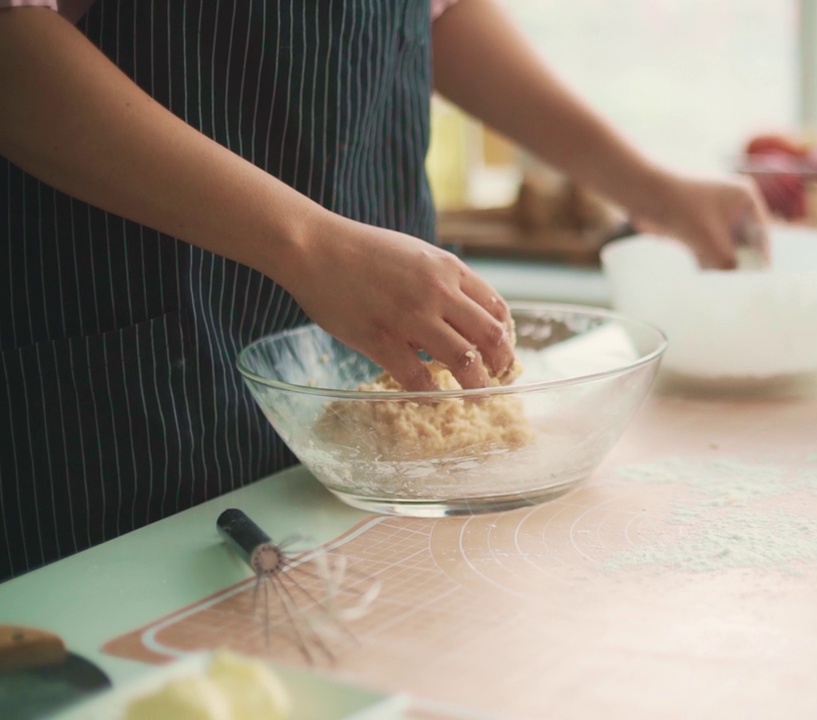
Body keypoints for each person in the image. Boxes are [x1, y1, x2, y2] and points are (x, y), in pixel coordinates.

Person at [0, 0, 770, 581]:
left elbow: (442, 12)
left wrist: (647, 188)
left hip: (369, 396)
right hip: (128, 375)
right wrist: (308, 243)